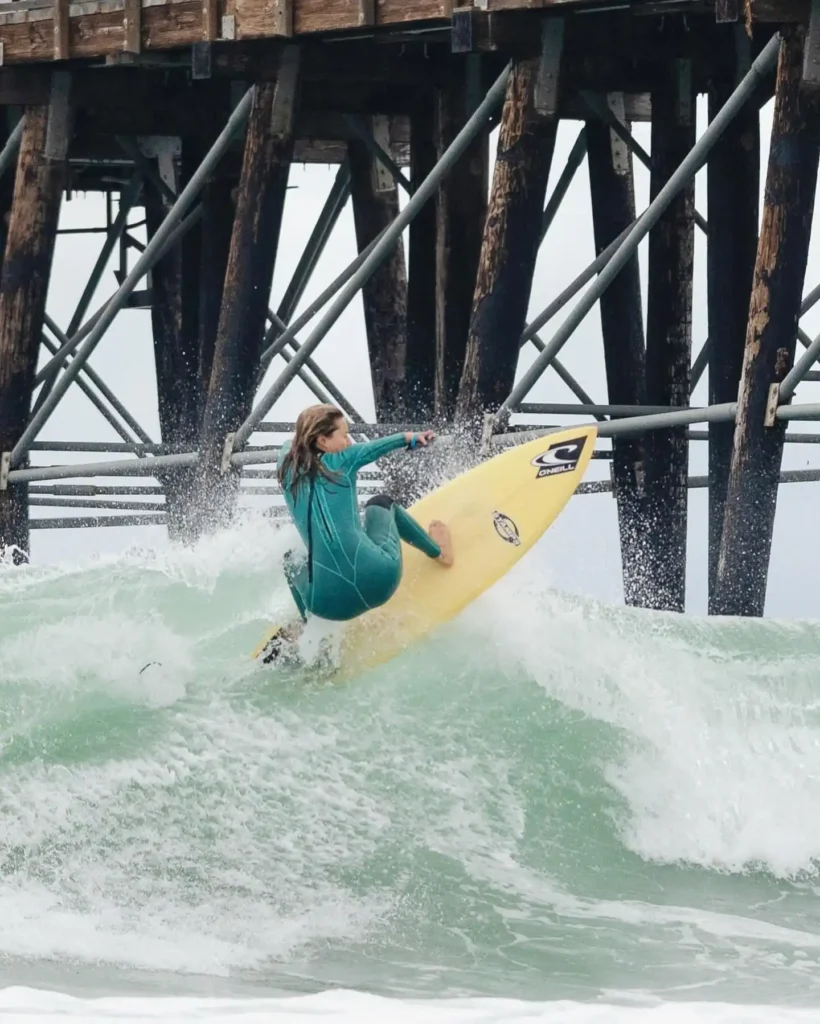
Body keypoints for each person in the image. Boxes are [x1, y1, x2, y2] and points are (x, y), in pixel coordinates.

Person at [263, 404, 453, 661]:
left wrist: (303, 435)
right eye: (344, 434)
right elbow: (378, 447)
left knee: (290, 560)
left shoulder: (285, 468)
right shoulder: (344, 459)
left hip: (326, 605)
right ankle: (439, 552)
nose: (349, 440)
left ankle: (310, 627)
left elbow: (291, 445)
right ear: (322, 441)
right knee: (382, 503)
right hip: (380, 582)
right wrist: (410, 438)